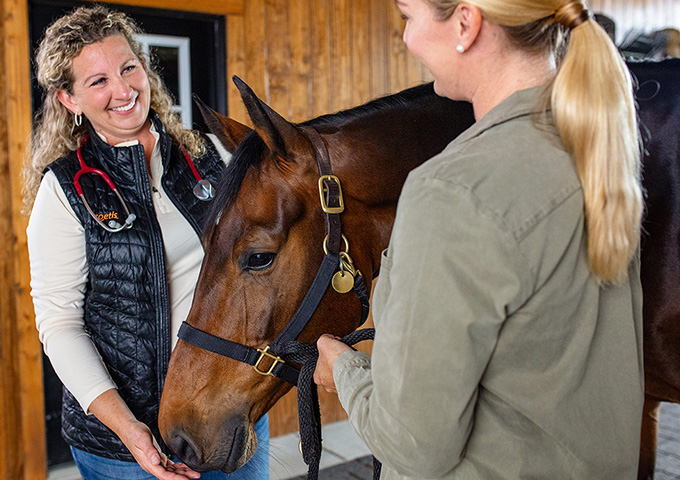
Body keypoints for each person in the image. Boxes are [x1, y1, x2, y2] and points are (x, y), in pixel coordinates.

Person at [314, 0, 644, 478]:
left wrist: (344, 368)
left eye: (409, 17)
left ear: (466, 23)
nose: (406, 38)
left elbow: (412, 447)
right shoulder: (595, 151)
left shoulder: (452, 191)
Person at [23, 6, 269, 480]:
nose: (123, 90)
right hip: (121, 447)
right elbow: (60, 324)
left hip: (226, 418)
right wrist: (129, 429)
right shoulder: (66, 189)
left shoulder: (208, 155)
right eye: (97, 81)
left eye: (128, 68)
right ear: (69, 99)